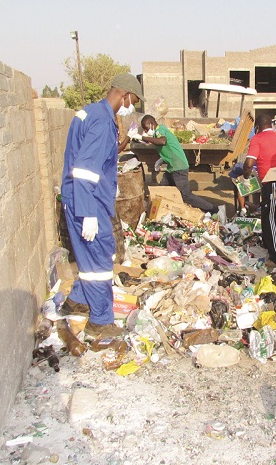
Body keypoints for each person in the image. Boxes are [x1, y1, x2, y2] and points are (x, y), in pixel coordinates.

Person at [59, 73, 144, 341]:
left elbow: (97, 158)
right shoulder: (101, 121)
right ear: (124, 94)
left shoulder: (91, 113)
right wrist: (87, 214)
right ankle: (100, 321)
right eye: (134, 101)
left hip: (87, 198)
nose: (132, 106)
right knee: (99, 262)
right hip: (88, 201)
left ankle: (76, 301)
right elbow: (84, 171)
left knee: (98, 254)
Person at [140, 115, 220, 215]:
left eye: (146, 128)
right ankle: (152, 212)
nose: (146, 131)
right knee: (161, 191)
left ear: (151, 124)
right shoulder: (160, 130)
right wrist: (161, 160)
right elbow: (169, 149)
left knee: (186, 196)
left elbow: (163, 141)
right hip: (172, 167)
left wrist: (143, 137)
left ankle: (214, 210)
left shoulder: (159, 131)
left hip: (178, 168)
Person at [242, 114, 276, 268]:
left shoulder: (258, 139)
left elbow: (249, 163)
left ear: (257, 127)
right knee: (272, 219)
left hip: (272, 182)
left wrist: (246, 178)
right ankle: (273, 252)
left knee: (271, 222)